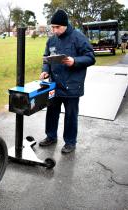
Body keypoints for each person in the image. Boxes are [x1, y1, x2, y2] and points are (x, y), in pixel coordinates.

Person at [39, 9, 95, 153]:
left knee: (70, 115)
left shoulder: (78, 37)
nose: (55, 30)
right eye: (53, 27)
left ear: (65, 25)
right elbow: (46, 57)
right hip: (54, 85)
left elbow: (90, 57)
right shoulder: (51, 40)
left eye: (57, 27)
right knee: (51, 112)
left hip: (72, 86)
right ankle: (51, 136)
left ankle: (70, 142)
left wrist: (74, 61)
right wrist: (45, 70)